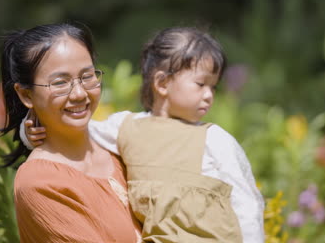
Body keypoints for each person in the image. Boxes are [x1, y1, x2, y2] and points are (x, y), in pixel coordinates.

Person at [24, 27, 265, 242]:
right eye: (201, 84)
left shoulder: (215, 139)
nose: (209, 95)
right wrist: (32, 131)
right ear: (162, 84)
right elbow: (74, 130)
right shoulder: (126, 127)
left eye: (213, 87)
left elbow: (247, 205)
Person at [0, 22, 142, 242]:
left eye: (87, 76)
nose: (79, 93)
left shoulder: (119, 148)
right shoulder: (41, 183)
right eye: (60, 82)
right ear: (27, 95)